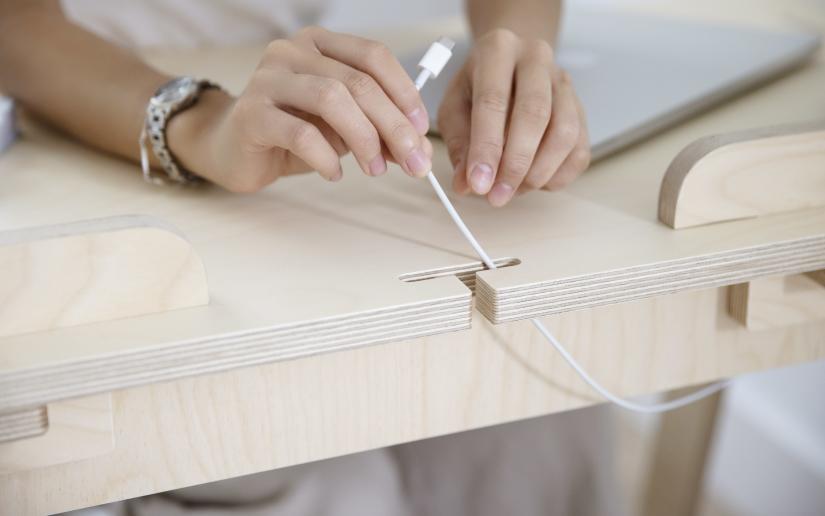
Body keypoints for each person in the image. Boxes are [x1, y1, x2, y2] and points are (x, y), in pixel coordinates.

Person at [1, 1, 614, 515]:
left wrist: (518, 55)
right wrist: (197, 126)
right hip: (97, 112)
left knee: (540, 413)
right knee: (301, 470)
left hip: (307, 126)